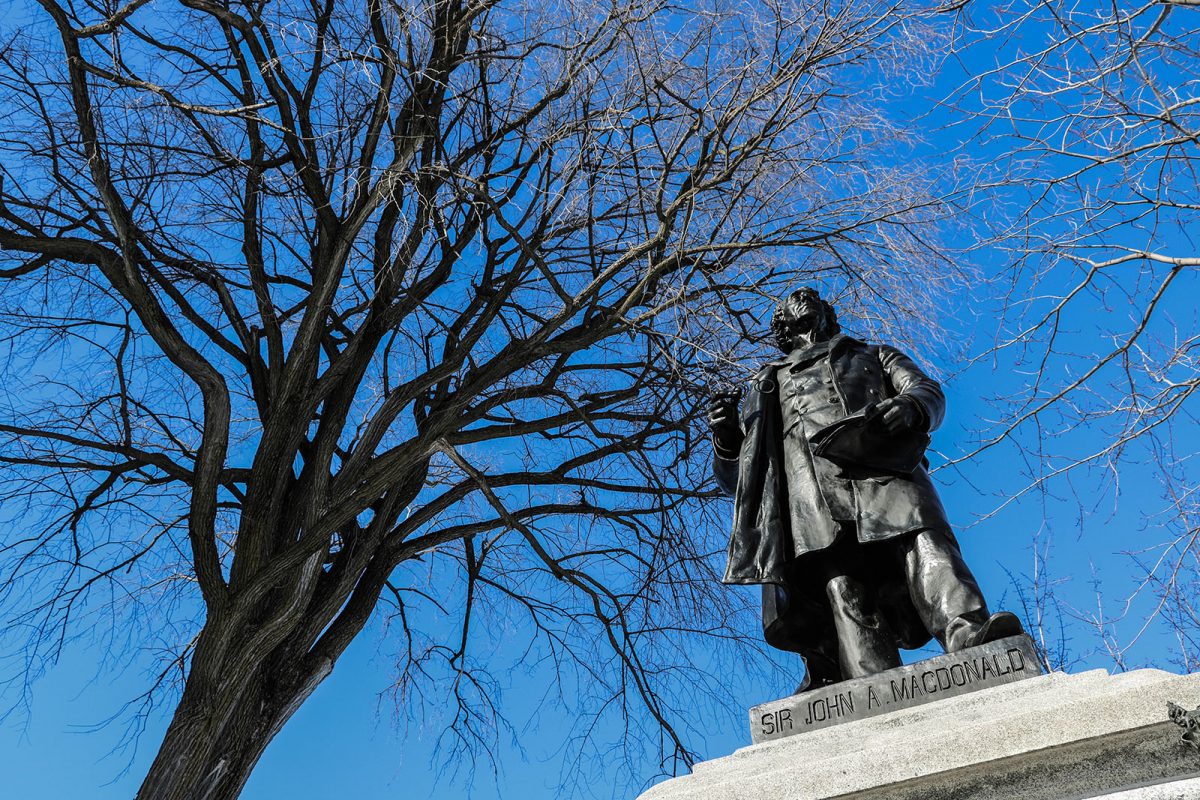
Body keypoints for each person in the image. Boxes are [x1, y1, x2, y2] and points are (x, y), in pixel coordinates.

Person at [707, 287, 1021, 691]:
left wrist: (911, 407)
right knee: (842, 582)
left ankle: (970, 636)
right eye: (791, 303)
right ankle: (871, 684)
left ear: (827, 314)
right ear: (780, 325)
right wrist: (728, 439)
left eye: (811, 299)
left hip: (884, 469)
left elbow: (927, 391)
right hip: (810, 495)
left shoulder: (872, 353)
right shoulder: (765, 384)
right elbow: (741, 482)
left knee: (926, 544)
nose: (801, 298)